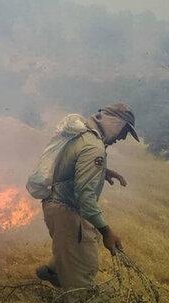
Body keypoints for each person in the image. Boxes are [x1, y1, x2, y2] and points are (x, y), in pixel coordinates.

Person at [36, 103, 139, 289]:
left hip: (55, 204)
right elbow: (86, 198)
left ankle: (54, 271)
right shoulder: (94, 147)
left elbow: (71, 163)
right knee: (83, 271)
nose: (123, 137)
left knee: (75, 251)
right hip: (66, 211)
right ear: (114, 123)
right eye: (124, 130)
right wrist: (107, 232)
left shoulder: (84, 135)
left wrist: (101, 171)